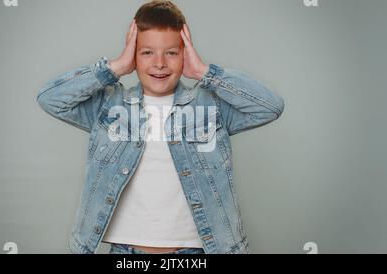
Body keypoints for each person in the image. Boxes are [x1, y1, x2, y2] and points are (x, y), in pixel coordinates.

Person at [36, 0, 284, 254]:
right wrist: (116, 67)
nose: (159, 63)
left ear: (184, 54)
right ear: (133, 54)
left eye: (171, 52)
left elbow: (270, 106)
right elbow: (50, 99)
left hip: (195, 253)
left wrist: (203, 72)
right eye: (147, 52)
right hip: (127, 254)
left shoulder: (209, 107)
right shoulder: (110, 105)